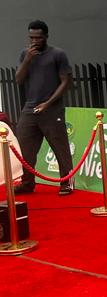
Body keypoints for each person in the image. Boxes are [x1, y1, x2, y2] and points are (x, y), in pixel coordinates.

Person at [14, 20, 74, 196]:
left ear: (46, 36)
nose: (34, 41)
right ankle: (27, 183)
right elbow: (19, 79)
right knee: (24, 148)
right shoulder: (25, 54)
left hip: (52, 109)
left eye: (38, 38)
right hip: (30, 109)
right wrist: (27, 60)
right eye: (31, 38)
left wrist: (48, 103)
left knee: (60, 147)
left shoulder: (58, 54)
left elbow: (66, 82)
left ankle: (66, 182)